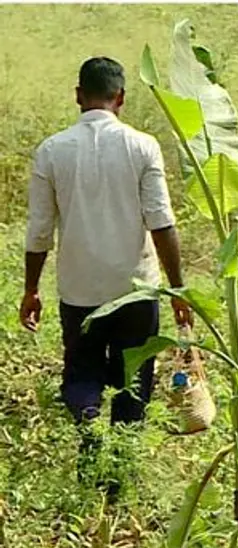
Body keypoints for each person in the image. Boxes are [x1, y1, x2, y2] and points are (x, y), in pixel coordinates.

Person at [19, 56, 192, 493]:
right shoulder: (142, 146)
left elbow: (39, 231)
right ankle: (121, 476)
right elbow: (161, 222)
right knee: (134, 380)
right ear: (121, 99)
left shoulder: (52, 150)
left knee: (82, 376)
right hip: (136, 290)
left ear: (78, 96)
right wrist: (177, 289)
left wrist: (31, 289)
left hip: (80, 291)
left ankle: (91, 436)